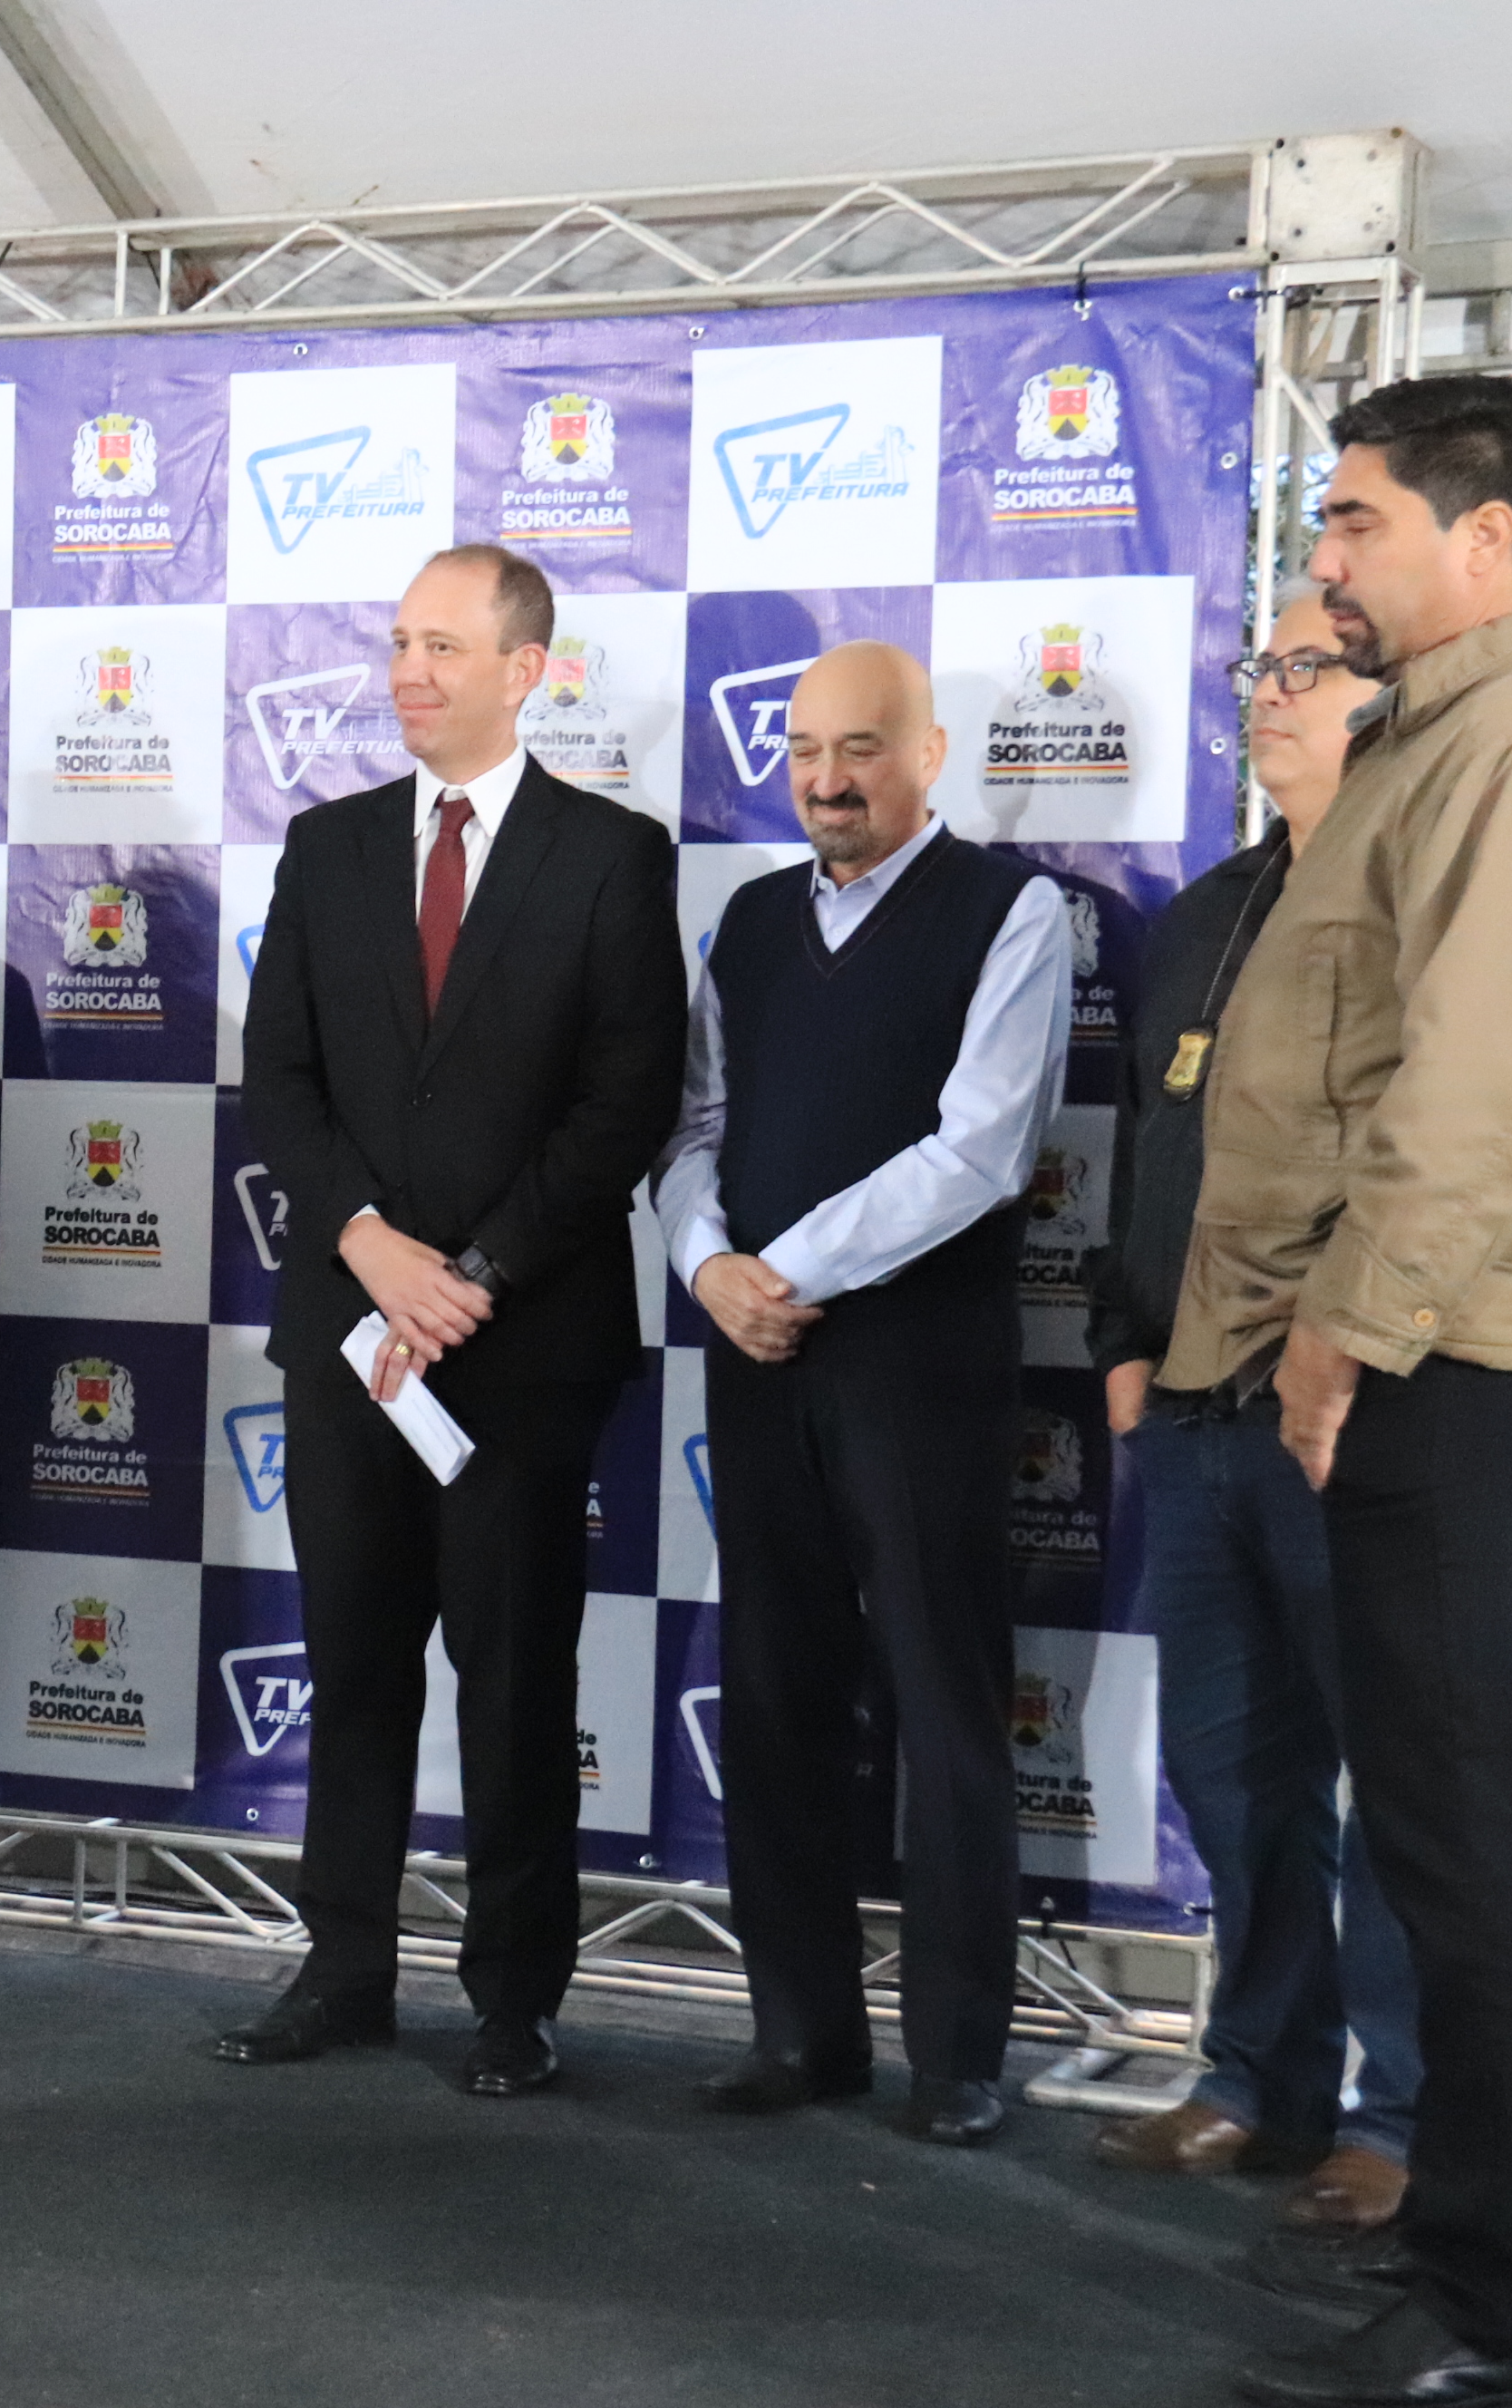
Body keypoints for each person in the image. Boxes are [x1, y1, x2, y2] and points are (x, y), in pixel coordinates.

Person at [1176, 378, 1512, 2408]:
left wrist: (1338, 1335)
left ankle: (1511, 2312)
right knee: (1442, 1832)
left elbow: (1475, 1090)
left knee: (1469, 1845)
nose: (1324, 559)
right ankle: (1472, 2253)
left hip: (1467, 1354)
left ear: (1482, 539)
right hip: (1428, 1346)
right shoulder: (1450, 732)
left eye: (1356, 521)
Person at [226, 544, 687, 2093]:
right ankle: (342, 1971)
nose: (407, 671)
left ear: (524, 669)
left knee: (515, 1679)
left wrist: (473, 1273)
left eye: (441, 645)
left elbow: (624, 1101)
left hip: (522, 1347)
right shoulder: (327, 845)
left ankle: (513, 1997)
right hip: (350, 1337)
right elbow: (278, 1079)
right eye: (399, 643)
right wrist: (367, 1244)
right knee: (352, 1665)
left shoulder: (611, 856)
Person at [653, 639, 1071, 2150]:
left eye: (861, 749)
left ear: (928, 753)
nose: (826, 781)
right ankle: (799, 2032)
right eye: (805, 751)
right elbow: (691, 1126)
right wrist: (709, 1265)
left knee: (943, 1705)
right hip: (755, 1358)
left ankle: (956, 2056)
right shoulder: (754, 921)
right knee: (774, 1694)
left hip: (917, 1370)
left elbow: (982, 1150)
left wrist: (782, 1270)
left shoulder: (1010, 910)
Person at [1084, 591, 1420, 2239]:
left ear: (1390, 696)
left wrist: (1343, 1355)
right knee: (1233, 1774)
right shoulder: (1207, 911)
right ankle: (1258, 2080)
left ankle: (1401, 2116)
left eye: (1307, 667)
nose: (1266, 692)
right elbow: (1149, 1153)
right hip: (1191, 1410)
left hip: (1348, 1411)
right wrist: (1121, 1345)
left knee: (1396, 1781)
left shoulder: (1420, 890)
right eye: (1258, 665)